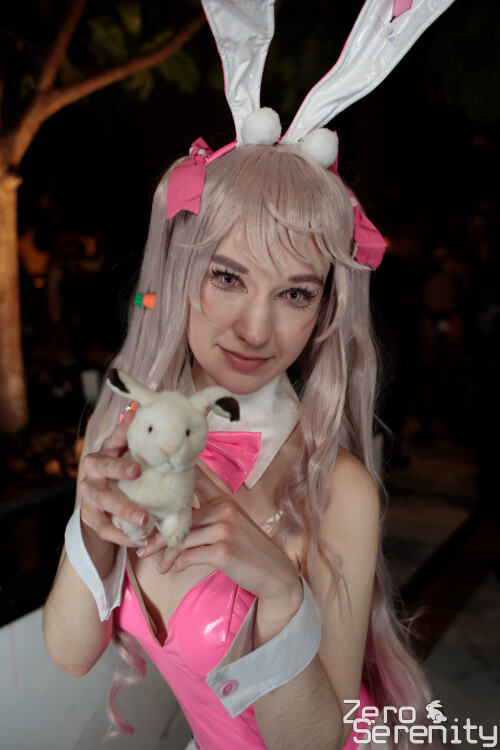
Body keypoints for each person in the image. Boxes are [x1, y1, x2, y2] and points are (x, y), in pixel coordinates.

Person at [42, 2, 455, 748]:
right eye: (228, 277)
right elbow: (71, 654)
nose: (257, 330)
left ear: (325, 310)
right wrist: (90, 523)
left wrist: (280, 591)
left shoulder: (336, 492)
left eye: (294, 293)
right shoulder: (128, 437)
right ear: (181, 271)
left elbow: (322, 740)